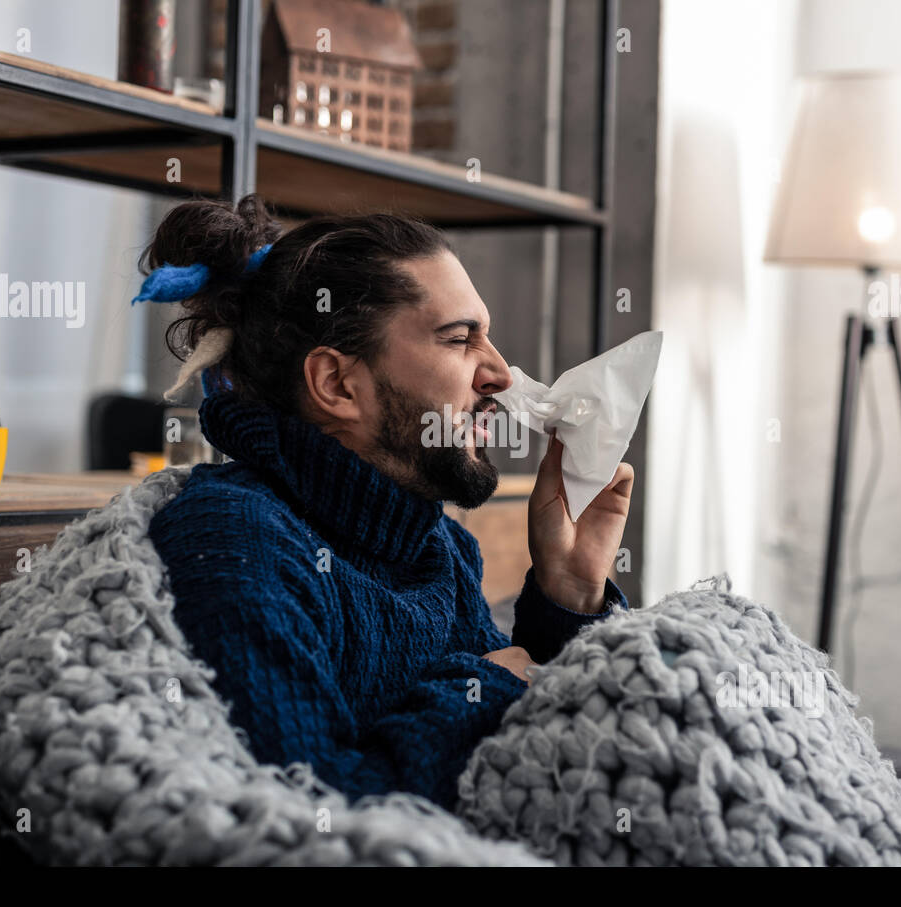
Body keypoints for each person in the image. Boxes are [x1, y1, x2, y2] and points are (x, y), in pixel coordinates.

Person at [144, 194, 633, 812]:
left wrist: (567, 594)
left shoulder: (437, 545)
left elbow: (533, 739)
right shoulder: (235, 540)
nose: (501, 374)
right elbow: (302, 811)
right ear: (337, 384)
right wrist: (482, 686)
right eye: (459, 339)